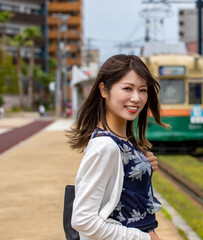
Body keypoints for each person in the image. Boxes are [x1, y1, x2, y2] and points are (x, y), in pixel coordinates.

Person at [67, 54, 168, 240]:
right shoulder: (105, 146)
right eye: (127, 88)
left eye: (143, 90)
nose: (136, 98)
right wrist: (144, 238)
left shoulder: (119, 140)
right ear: (104, 90)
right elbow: (82, 220)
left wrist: (143, 164)